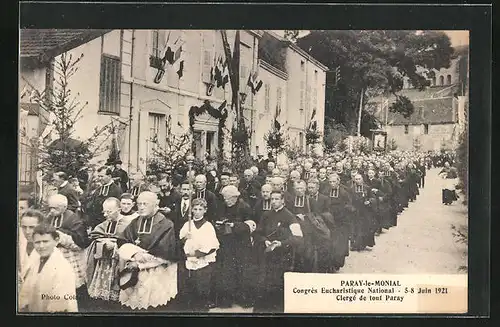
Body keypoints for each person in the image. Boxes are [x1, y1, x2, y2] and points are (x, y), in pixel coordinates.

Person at [117, 191, 178, 311]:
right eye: (139, 204)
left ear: (156, 205)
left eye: (145, 203)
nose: (141, 207)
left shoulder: (166, 225)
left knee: (153, 307)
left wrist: (140, 263)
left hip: (156, 273)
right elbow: (122, 241)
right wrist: (135, 253)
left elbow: (165, 252)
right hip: (134, 270)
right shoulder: (135, 222)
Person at [253, 191, 303, 313]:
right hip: (267, 254)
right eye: (272, 199)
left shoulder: (289, 216)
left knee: (278, 284)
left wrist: (281, 244)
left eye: (276, 199)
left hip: (282, 256)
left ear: (283, 201)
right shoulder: (266, 215)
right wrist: (264, 240)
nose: (274, 201)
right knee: (264, 282)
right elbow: (258, 232)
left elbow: (298, 237)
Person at [86, 198, 135, 308]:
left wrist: (115, 246)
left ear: (118, 209)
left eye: (109, 212)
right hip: (104, 260)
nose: (105, 215)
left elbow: (130, 242)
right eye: (104, 211)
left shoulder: (128, 223)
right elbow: (95, 234)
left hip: (119, 261)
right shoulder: (104, 224)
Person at [19, 224, 78, 312]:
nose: (41, 246)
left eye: (45, 241)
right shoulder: (36, 260)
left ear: (56, 241)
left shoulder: (62, 267)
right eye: (37, 242)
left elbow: (59, 304)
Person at [45, 194, 90, 309]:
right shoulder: (50, 216)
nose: (52, 211)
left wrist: (62, 235)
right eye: (50, 207)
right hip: (54, 254)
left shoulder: (73, 219)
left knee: (74, 280)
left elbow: (81, 240)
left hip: (71, 255)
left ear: (64, 207)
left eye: (55, 208)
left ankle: (82, 305)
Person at [214, 185, 256, 308]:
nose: (225, 200)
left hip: (241, 245)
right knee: (227, 271)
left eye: (227, 198)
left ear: (234, 198)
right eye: (224, 198)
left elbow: (251, 226)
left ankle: (243, 299)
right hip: (227, 243)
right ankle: (227, 299)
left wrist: (234, 225)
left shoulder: (245, 207)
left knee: (242, 271)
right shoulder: (223, 206)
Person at [178, 198, 220, 311]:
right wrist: (185, 239)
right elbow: (180, 240)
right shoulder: (187, 224)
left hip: (203, 261)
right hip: (189, 260)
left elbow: (213, 246)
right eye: (195, 209)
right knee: (189, 288)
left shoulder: (208, 226)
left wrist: (197, 254)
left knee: (202, 289)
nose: (197, 212)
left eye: (200, 209)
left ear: (205, 210)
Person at [18, 209, 44, 286]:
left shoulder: (51, 248)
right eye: (24, 227)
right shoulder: (20, 242)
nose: (27, 231)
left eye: (32, 227)